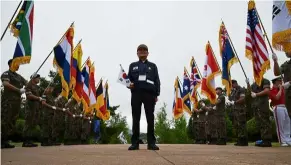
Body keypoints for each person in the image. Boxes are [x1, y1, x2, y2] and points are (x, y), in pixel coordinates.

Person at [127, 44, 160, 150]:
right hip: (136, 94)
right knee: (135, 118)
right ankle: (135, 143)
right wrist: (129, 85)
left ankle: (151, 143)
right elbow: (128, 80)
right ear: (137, 53)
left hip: (149, 94)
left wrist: (156, 94)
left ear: (147, 53)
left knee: (150, 118)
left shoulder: (153, 66)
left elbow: (157, 81)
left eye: (144, 50)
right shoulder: (132, 65)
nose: (142, 52)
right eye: (140, 50)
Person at [1, 59, 27, 148]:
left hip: (17, 102)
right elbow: (5, 84)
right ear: (10, 64)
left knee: (12, 121)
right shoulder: (6, 73)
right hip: (8, 101)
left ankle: (6, 140)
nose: (18, 65)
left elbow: (27, 83)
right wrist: (18, 90)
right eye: (16, 64)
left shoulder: (19, 76)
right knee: (6, 120)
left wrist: (32, 78)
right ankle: (2, 140)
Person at [23, 73, 44, 147]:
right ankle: (26, 141)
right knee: (28, 124)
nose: (39, 79)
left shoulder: (37, 87)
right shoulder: (29, 85)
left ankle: (30, 140)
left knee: (32, 124)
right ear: (34, 78)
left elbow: (41, 95)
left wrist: (40, 98)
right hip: (30, 107)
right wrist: (38, 98)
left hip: (35, 108)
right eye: (38, 78)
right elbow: (29, 96)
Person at [269, 77, 291, 147]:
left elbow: (288, 83)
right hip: (277, 107)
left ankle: (288, 140)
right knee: (280, 125)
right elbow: (277, 97)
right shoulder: (272, 90)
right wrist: (281, 89)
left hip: (284, 107)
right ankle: (282, 141)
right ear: (275, 82)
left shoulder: (281, 87)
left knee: (287, 124)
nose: (281, 82)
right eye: (279, 81)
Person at [251, 78, 272, 147]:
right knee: (260, 123)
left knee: (265, 121)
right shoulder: (254, 85)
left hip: (263, 104)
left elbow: (267, 91)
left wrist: (256, 94)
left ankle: (267, 140)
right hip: (256, 105)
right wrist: (248, 85)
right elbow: (251, 93)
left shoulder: (265, 80)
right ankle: (263, 139)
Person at [228, 80, 248, 146]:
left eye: (232, 84)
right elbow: (231, 99)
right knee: (236, 125)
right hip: (235, 110)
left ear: (235, 83)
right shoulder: (233, 91)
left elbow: (242, 99)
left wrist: (235, 102)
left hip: (241, 110)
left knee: (241, 124)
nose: (232, 86)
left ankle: (244, 140)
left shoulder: (241, 89)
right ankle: (239, 139)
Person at [273, 52, 291, 118]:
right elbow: (277, 72)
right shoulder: (286, 64)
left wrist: (289, 83)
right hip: (289, 98)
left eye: (287, 49)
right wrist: (275, 62)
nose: (286, 52)